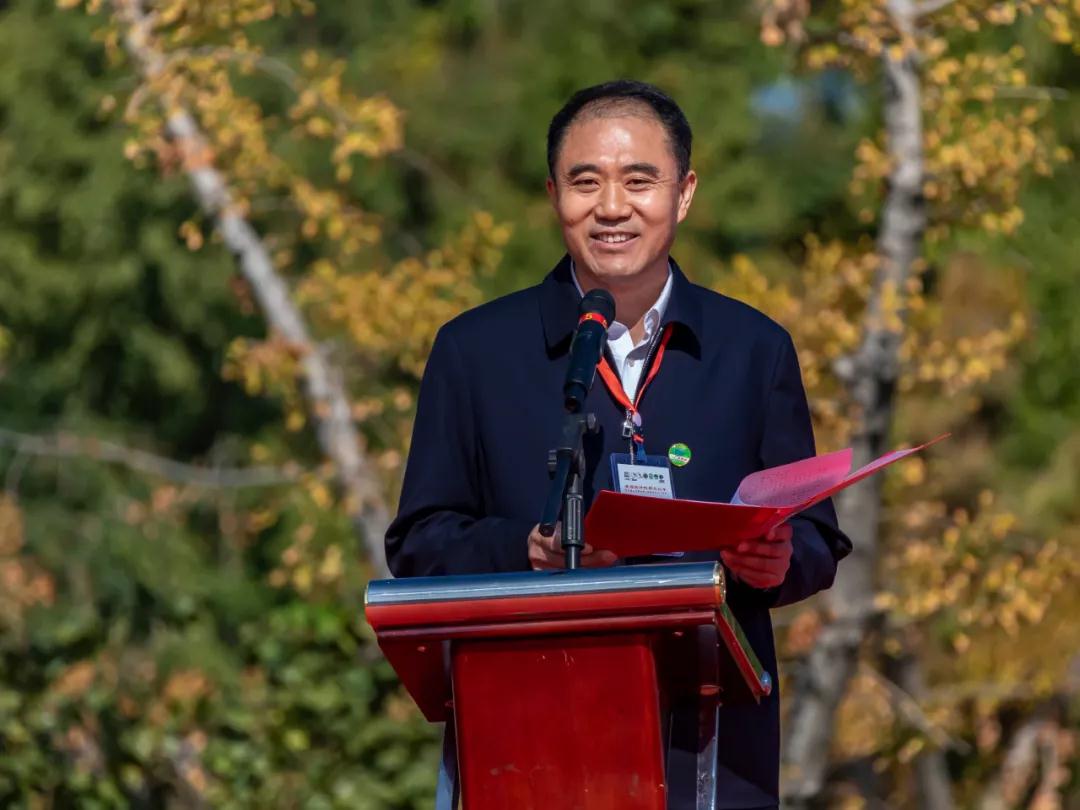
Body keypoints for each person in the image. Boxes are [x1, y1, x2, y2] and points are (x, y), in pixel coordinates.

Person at [385, 79, 851, 809]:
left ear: (684, 194)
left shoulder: (754, 349)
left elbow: (817, 538)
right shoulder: (475, 351)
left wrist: (776, 562)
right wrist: (525, 550)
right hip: (528, 745)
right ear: (553, 196)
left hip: (712, 751)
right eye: (585, 182)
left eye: (639, 181)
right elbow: (418, 542)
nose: (611, 207)